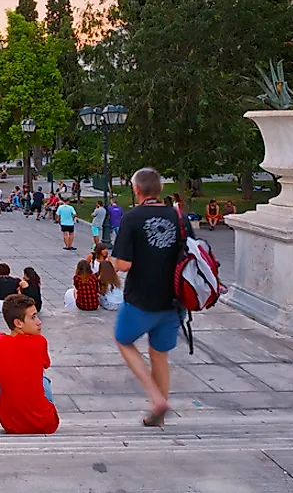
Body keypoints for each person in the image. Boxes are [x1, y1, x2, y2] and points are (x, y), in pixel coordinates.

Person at [110, 167, 193, 428]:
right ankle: (158, 417)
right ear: (160, 190)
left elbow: (124, 264)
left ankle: (156, 398)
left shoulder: (132, 218)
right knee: (159, 355)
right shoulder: (179, 216)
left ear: (137, 190)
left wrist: (110, 263)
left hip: (141, 298)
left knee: (123, 340)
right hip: (175, 300)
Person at [0, 294, 59, 434]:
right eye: (33, 317)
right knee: (40, 372)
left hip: (10, 424)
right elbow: (45, 364)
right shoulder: (40, 342)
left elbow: (0, 339)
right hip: (46, 423)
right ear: (18, 323)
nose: (39, 322)